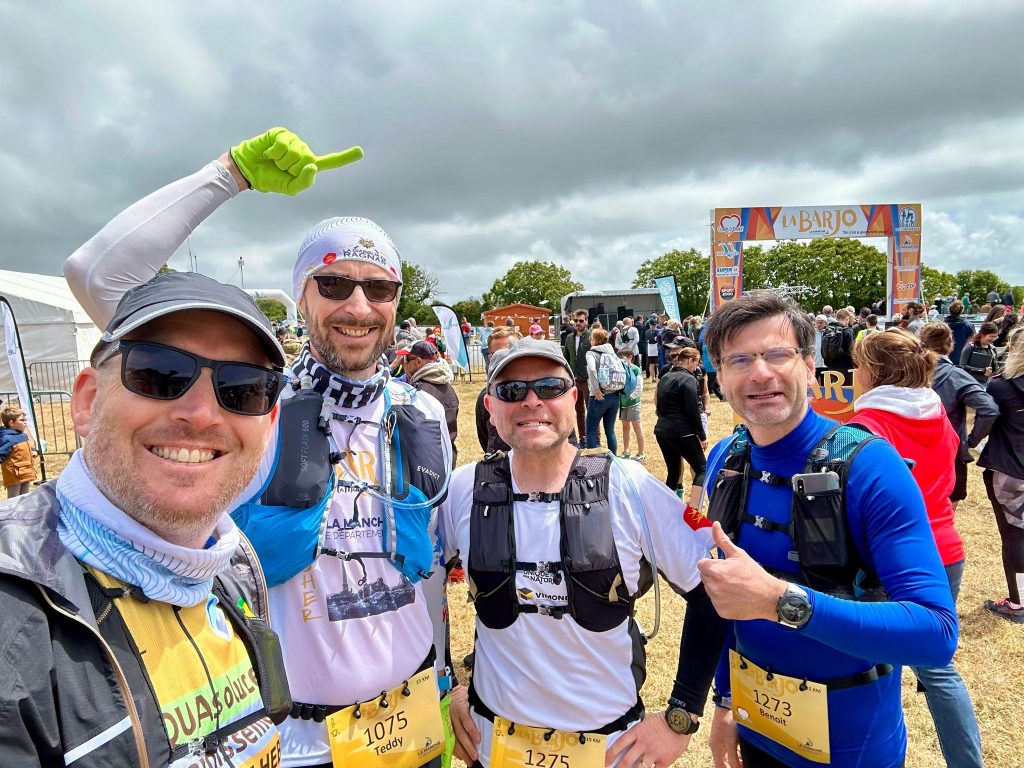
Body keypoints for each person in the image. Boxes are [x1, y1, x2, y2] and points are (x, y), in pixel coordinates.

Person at [64, 127, 454, 768]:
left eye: (378, 287)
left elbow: (432, 573)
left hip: (411, 729)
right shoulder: (248, 406)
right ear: (300, 296)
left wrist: (444, 677)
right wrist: (229, 174)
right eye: (333, 285)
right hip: (296, 741)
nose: (358, 305)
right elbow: (96, 276)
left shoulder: (424, 417)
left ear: (396, 303)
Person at [0, 271, 293, 765]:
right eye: (159, 373)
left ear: (268, 423)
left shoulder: (232, 567)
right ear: (88, 401)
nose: (200, 414)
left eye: (242, 388)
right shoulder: (13, 621)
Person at [697, 292, 957, 768]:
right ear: (719, 376)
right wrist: (724, 700)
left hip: (854, 750)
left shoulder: (871, 467)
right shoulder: (725, 460)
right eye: (739, 359)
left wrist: (781, 603)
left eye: (777, 353)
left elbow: (936, 634)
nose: (760, 373)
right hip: (759, 730)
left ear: (810, 364)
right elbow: (724, 600)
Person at [441, 339, 729, 768]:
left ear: (574, 397)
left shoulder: (629, 484)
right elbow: (417, 587)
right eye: (512, 391)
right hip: (493, 745)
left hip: (610, 748)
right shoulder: (464, 488)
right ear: (490, 407)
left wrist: (682, 714)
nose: (532, 402)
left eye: (549, 387)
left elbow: (716, 589)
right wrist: (447, 685)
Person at [849, 330, 984, 768]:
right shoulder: (937, 414)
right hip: (948, 549)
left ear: (873, 372)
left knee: (879, 671)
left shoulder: (866, 427)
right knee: (937, 667)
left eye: (857, 365)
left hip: (895, 560)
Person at [920, 323, 998, 511]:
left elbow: (989, 409)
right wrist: (969, 441)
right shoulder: (957, 376)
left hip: (914, 451)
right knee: (944, 514)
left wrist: (969, 441)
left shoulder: (905, 373)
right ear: (950, 345)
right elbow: (989, 409)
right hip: (949, 452)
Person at [978, 325, 1024, 623]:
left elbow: (988, 418)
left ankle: (1018, 603)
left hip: (1010, 470)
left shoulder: (1000, 386)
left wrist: (970, 441)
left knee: (1015, 537)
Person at [655, 346, 707, 507]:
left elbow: (659, 405)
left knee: (673, 471)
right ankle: (694, 510)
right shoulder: (689, 379)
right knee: (702, 469)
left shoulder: (666, 377)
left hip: (662, 430)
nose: (696, 367)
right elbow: (692, 410)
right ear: (690, 360)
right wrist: (702, 436)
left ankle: (668, 508)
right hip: (682, 431)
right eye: (696, 363)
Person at [404, 340, 460, 464]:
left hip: (425, 464)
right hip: (447, 457)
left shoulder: (418, 392)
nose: (404, 364)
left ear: (418, 362)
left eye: (407, 359)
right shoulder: (448, 387)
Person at [475, 327, 518, 455]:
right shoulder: (486, 396)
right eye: (499, 353)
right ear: (490, 357)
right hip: (499, 467)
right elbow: (484, 436)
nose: (506, 358)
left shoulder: (541, 391)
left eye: (510, 351)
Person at [585, 327, 622, 454]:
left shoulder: (591, 353)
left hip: (599, 396)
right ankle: (614, 459)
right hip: (615, 395)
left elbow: (591, 370)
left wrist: (596, 390)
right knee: (610, 431)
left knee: (591, 430)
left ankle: (593, 461)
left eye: (591, 338)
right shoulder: (611, 352)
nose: (590, 340)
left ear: (595, 340)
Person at [563, 308, 592, 441]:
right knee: (579, 412)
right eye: (576, 321)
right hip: (574, 380)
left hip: (588, 380)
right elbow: (566, 359)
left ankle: (594, 440)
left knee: (591, 412)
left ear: (586, 321)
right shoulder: (569, 338)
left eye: (581, 321)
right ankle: (583, 438)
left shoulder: (591, 337)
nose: (578, 323)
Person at [0, 406, 37, 497]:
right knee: (14, 500)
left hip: (26, 472)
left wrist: (34, 451)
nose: (25, 422)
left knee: (24, 499)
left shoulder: (23, 435)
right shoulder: (6, 438)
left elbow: (26, 447)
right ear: (12, 423)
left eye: (25, 420)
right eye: (22, 420)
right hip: (14, 476)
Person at [617, 348, 646, 461]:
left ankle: (641, 453)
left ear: (630, 357)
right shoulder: (620, 369)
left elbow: (639, 387)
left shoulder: (636, 370)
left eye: (623, 358)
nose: (621, 361)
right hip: (623, 403)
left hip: (634, 403)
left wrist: (631, 397)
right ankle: (626, 451)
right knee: (625, 428)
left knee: (637, 427)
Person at [945, 300, 975, 366]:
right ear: (962, 311)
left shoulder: (941, 325)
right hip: (962, 359)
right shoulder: (969, 325)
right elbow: (972, 342)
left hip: (944, 359)